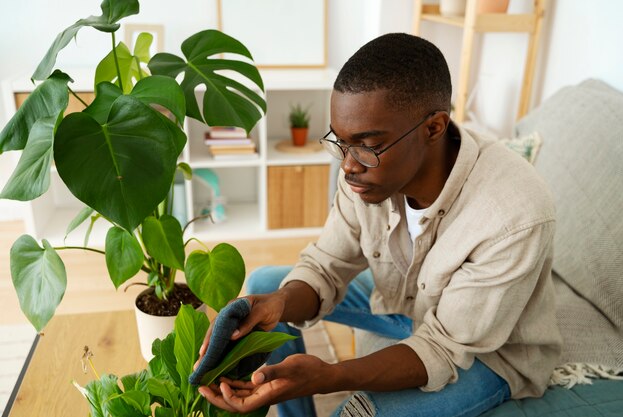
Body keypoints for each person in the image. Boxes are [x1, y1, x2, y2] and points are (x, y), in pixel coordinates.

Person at [197, 33, 562, 417]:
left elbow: (443, 348)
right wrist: (281, 302)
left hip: (485, 354)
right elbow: (326, 265)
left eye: (367, 144)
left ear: (434, 128)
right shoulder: (365, 173)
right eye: (339, 142)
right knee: (266, 288)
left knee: (354, 413)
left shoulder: (515, 214)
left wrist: (328, 376)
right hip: (403, 303)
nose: (348, 165)